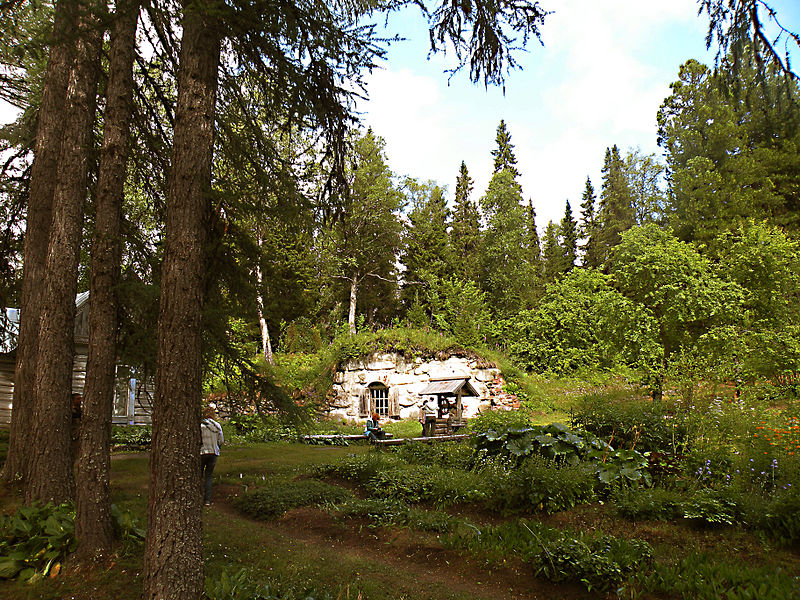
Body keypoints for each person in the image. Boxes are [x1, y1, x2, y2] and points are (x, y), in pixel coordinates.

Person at [200, 406, 224, 506]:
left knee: (199, 475)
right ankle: (207, 500)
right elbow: (221, 440)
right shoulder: (217, 426)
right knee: (209, 476)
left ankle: (198, 496)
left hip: (202, 452)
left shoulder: (200, 425)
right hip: (214, 453)